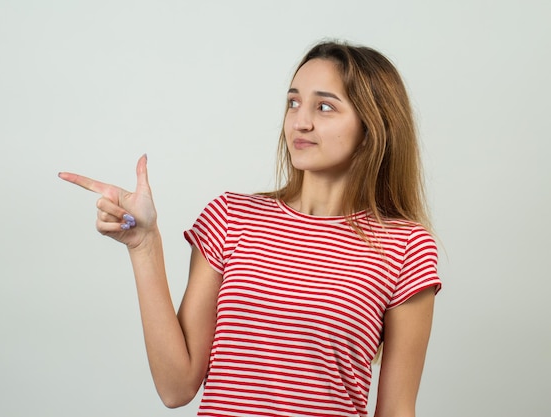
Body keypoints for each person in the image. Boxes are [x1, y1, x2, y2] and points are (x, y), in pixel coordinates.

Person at [59, 40, 441, 417]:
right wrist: (143, 244)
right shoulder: (231, 217)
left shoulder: (406, 246)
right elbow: (176, 388)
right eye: (294, 102)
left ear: (373, 127)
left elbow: (396, 409)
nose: (300, 121)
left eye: (324, 107)